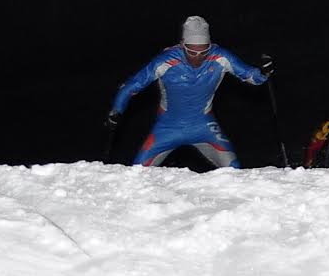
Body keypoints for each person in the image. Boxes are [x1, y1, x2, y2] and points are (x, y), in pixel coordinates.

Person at [106, 15, 273, 167]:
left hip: (203, 126)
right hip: (166, 128)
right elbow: (132, 85)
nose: (198, 57)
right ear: (182, 45)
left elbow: (250, 76)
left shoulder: (221, 57)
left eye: (204, 51)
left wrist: (263, 73)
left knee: (234, 169)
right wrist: (117, 111)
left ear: (210, 45)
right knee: (137, 173)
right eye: (192, 51)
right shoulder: (166, 60)